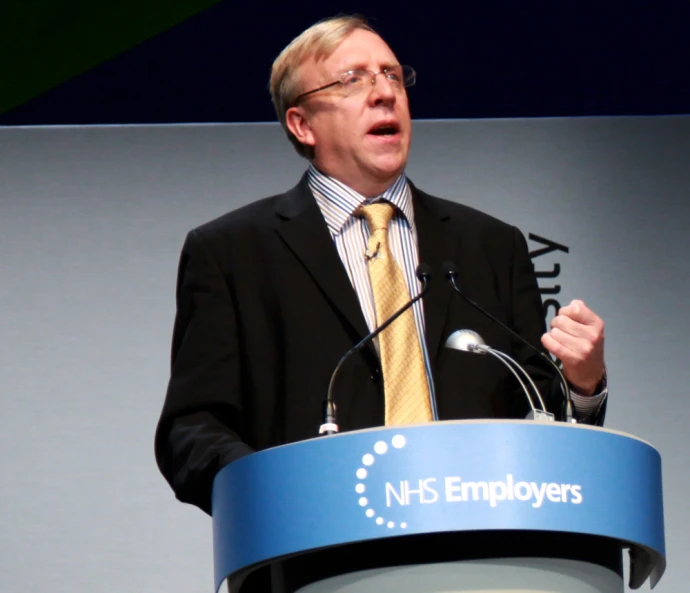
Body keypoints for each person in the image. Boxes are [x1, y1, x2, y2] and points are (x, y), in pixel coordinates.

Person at [155, 15, 607, 587]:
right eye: (351, 80)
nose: (384, 91)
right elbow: (192, 430)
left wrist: (584, 386)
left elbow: (539, 414)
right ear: (302, 123)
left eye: (393, 74)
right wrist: (281, 492)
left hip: (488, 563)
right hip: (315, 563)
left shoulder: (490, 243)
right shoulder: (232, 251)